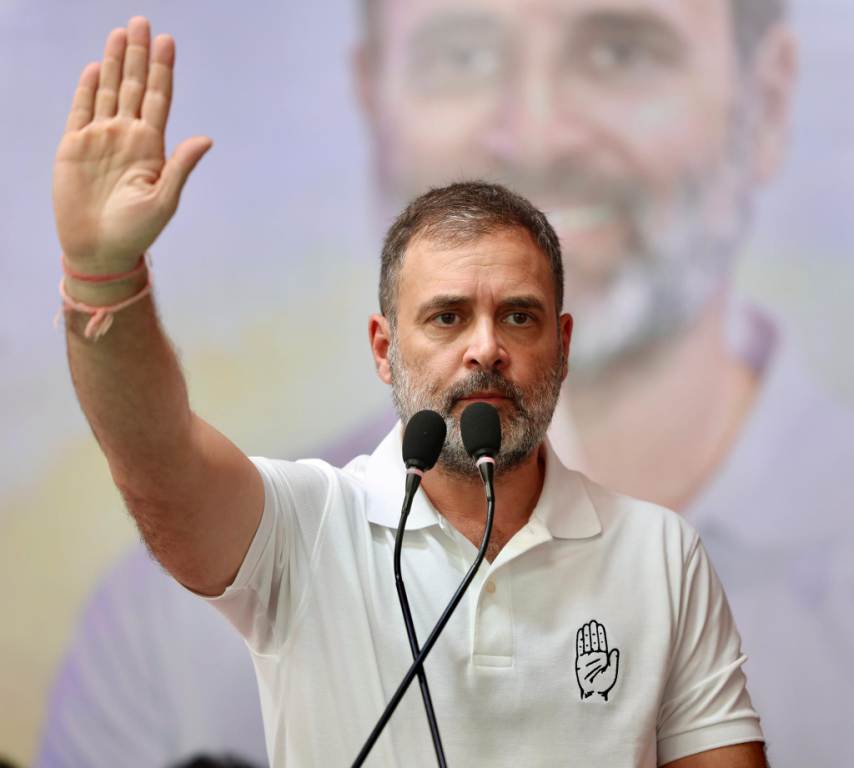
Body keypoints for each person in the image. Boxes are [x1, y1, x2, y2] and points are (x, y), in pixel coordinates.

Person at [40, 2, 854, 766]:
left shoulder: (660, 556)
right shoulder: (305, 528)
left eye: (520, 317)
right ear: (383, 348)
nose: (485, 349)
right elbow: (157, 454)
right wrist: (104, 275)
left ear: (562, 346)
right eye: (447, 317)